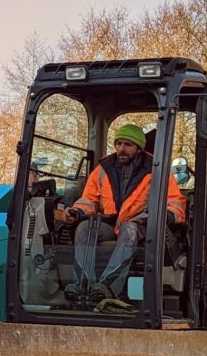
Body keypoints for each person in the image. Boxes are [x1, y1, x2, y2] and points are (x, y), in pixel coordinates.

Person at [55, 124, 186, 302]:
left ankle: (108, 286)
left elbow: (175, 203)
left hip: (142, 226)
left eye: (127, 145)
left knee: (129, 229)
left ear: (139, 148)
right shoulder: (103, 169)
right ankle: (82, 284)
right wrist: (76, 212)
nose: (121, 149)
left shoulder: (156, 170)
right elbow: (89, 200)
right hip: (110, 224)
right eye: (118, 144)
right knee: (85, 227)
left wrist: (160, 217)